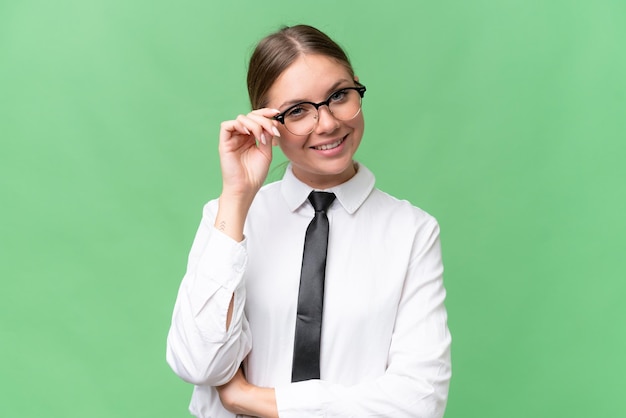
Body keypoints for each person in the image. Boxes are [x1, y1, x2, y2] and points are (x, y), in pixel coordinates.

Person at [166, 24, 451, 418]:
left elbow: (419, 402)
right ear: (268, 123)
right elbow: (198, 364)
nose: (329, 123)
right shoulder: (227, 220)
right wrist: (236, 197)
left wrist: (256, 401)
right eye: (297, 111)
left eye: (339, 96)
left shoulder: (412, 231)